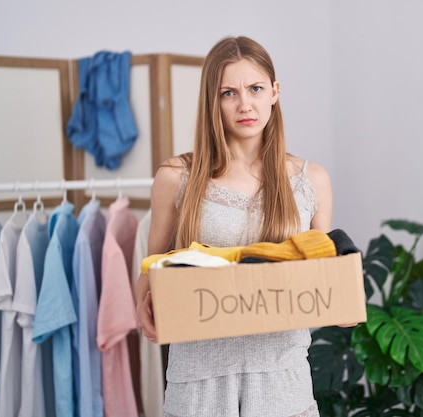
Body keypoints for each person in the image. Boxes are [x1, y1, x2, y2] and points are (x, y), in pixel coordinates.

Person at [136, 36, 334, 417]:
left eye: (255, 88)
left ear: (274, 92)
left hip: (282, 378)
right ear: (213, 100)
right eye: (229, 93)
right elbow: (152, 268)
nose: (245, 104)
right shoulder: (177, 177)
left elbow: (324, 275)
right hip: (198, 380)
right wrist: (145, 305)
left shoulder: (313, 180)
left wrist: (342, 303)